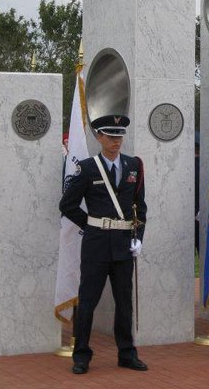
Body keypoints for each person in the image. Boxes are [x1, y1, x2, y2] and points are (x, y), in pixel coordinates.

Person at [59, 114, 148, 375]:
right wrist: (90, 224)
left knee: (124, 302)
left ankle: (127, 353)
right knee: (88, 301)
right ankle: (82, 355)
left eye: (119, 136)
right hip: (96, 244)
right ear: (99, 137)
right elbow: (67, 204)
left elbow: (139, 208)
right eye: (110, 137)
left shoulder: (134, 166)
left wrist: (138, 238)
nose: (116, 142)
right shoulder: (87, 168)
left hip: (123, 245)